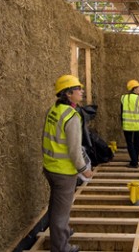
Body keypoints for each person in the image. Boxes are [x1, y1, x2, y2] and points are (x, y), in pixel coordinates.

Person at [42, 74, 94, 252]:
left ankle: (61, 232)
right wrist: (84, 170)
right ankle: (60, 247)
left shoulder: (54, 110)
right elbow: (73, 150)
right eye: (78, 89)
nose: (82, 91)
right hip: (63, 171)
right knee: (61, 211)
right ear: (69, 94)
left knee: (56, 205)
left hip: (50, 166)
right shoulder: (71, 117)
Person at [120, 79, 139, 168]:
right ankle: (135, 161)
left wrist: (122, 123)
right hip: (138, 126)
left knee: (130, 144)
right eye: (138, 87)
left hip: (127, 126)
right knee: (137, 143)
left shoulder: (123, 98)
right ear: (134, 88)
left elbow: (121, 112)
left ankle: (134, 161)